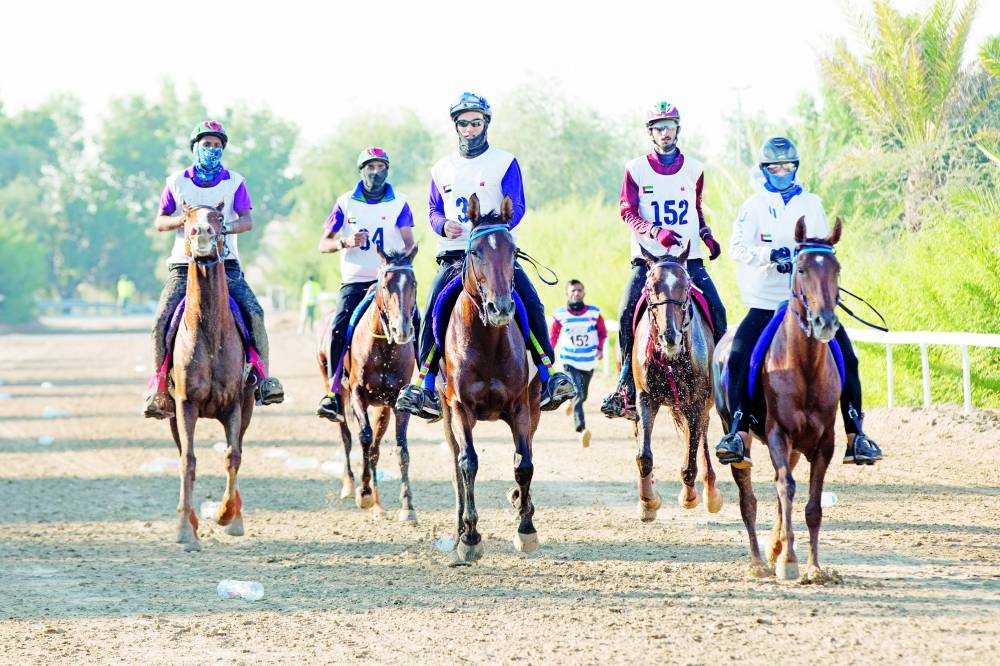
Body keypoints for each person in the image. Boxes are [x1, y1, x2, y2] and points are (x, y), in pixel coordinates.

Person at [395, 91, 576, 421]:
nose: (470, 128)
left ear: (486, 123)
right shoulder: (441, 168)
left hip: (495, 256)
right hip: (454, 256)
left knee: (531, 303)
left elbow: (516, 205)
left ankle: (550, 377)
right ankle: (423, 386)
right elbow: (434, 210)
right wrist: (443, 225)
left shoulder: (505, 162)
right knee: (433, 304)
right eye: (463, 123)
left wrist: (492, 229)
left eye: (476, 122)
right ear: (456, 126)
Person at [714, 137, 882, 468]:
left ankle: (855, 435)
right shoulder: (753, 206)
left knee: (848, 356)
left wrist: (813, 267)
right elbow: (736, 247)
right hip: (766, 301)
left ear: (795, 168)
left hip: (808, 304)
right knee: (737, 356)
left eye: (786, 166)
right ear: (764, 170)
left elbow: (823, 247)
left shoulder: (812, 203)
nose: (781, 172)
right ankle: (738, 431)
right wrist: (768, 254)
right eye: (774, 167)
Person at [143, 120, 284, 419]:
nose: (212, 150)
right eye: (206, 145)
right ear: (195, 147)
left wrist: (223, 228)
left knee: (255, 313)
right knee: (160, 321)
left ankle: (264, 379)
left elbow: (247, 220)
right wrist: (184, 222)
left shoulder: (235, 181)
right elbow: (160, 221)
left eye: (218, 146)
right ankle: (158, 387)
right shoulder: (176, 181)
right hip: (184, 266)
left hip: (226, 264)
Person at [602, 101, 726, 421]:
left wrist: (706, 234)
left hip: (688, 259)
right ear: (650, 133)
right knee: (627, 310)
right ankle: (626, 383)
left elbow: (694, 208)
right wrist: (656, 232)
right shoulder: (636, 168)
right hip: (649, 261)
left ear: (677, 129)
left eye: (669, 126)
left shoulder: (694, 168)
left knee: (719, 311)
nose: (664, 133)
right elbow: (627, 211)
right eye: (658, 127)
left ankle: (724, 383)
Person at [316, 147, 416, 422]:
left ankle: (425, 387)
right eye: (370, 167)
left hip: (391, 282)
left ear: (387, 170)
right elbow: (322, 243)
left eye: (381, 167)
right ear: (361, 171)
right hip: (357, 282)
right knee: (338, 328)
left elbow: (408, 242)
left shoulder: (400, 202)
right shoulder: (345, 202)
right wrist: (344, 242)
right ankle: (334, 392)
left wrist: (402, 263)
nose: (375, 172)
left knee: (417, 319)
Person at [550, 279, 607, 447]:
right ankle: (581, 430)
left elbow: (602, 332)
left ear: (584, 293)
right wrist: (548, 352)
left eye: (579, 290)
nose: (576, 293)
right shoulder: (561, 314)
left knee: (583, 395)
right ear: (567, 294)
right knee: (578, 393)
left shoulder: (594, 313)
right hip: (569, 360)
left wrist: (600, 348)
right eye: (573, 290)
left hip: (588, 361)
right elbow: (553, 336)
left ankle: (570, 401)